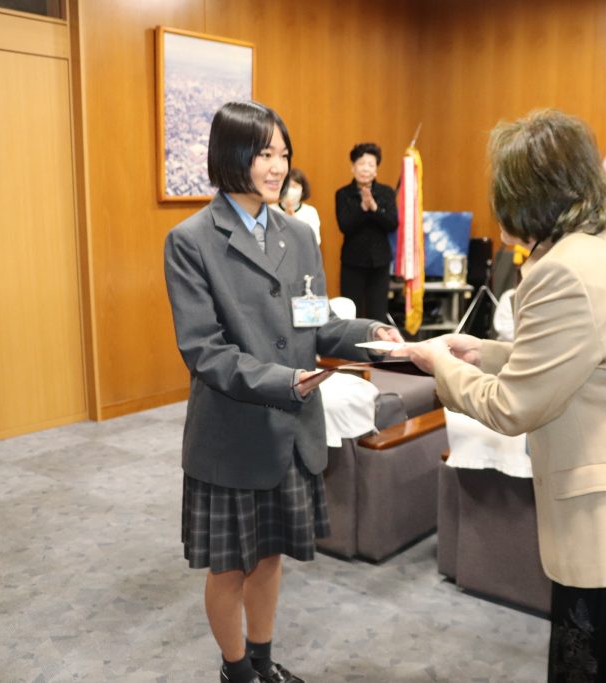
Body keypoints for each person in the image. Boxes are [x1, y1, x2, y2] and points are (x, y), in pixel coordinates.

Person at [395, 109, 606, 682]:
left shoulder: (563, 271)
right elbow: (587, 360)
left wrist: (437, 363)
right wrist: (484, 353)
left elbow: (513, 406)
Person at [163, 101, 402, 683]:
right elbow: (205, 351)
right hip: (232, 436)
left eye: (284, 154)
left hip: (290, 432)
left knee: (269, 556)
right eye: (265, 154)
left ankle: (263, 663)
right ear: (231, 156)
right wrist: (285, 381)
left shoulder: (297, 234)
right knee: (229, 567)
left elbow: (317, 324)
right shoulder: (190, 241)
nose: (278, 167)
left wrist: (371, 333)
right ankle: (236, 671)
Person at [335, 142, 398, 323]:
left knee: (377, 314)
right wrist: (362, 208)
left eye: (371, 165)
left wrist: (375, 208)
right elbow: (345, 226)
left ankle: (375, 343)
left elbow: (392, 224)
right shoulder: (343, 194)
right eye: (361, 164)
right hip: (352, 261)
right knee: (350, 313)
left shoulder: (386, 193)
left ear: (376, 170)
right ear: (353, 167)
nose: (365, 169)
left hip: (379, 262)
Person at [271, 167, 321, 245]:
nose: (289, 190)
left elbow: (315, 242)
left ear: (302, 190)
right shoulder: (270, 210)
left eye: (294, 186)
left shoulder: (310, 212)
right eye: (287, 186)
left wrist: (295, 225)